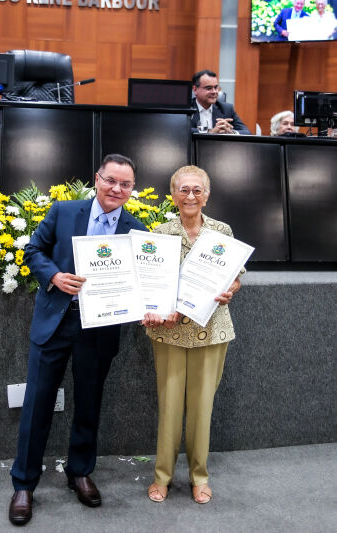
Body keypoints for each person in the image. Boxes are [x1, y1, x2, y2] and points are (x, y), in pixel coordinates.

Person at [9, 154, 147, 525]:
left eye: (125, 184)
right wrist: (54, 276)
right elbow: (32, 251)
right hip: (56, 321)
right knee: (37, 404)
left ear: (132, 189)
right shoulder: (64, 211)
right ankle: (24, 484)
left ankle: (80, 472)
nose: (116, 189)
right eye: (110, 180)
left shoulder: (137, 229)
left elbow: (145, 280)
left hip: (99, 329)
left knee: (89, 404)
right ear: (96, 179)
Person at [142, 165, 243, 505]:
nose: (190, 196)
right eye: (183, 190)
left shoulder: (221, 231)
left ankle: (200, 477)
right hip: (169, 332)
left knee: (202, 410)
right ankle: (162, 477)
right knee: (169, 408)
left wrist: (232, 288)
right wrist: (153, 306)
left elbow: (235, 276)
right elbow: (151, 281)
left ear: (207, 195)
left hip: (211, 330)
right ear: (173, 195)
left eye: (197, 190)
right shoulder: (160, 231)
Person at [191, 70, 251, 135]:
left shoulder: (227, 109)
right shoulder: (187, 109)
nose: (214, 92)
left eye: (216, 87)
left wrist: (231, 132)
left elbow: (247, 132)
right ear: (195, 90)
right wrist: (210, 132)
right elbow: (181, 131)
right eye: (209, 88)